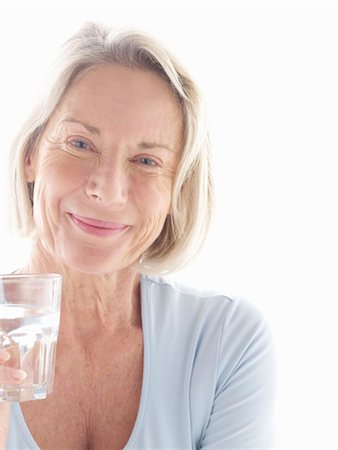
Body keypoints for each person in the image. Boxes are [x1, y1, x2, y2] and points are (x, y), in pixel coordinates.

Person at [0, 22, 277, 449]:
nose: (107, 189)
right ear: (32, 156)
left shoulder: (225, 343)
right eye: (80, 144)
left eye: (146, 161)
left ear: (175, 194)